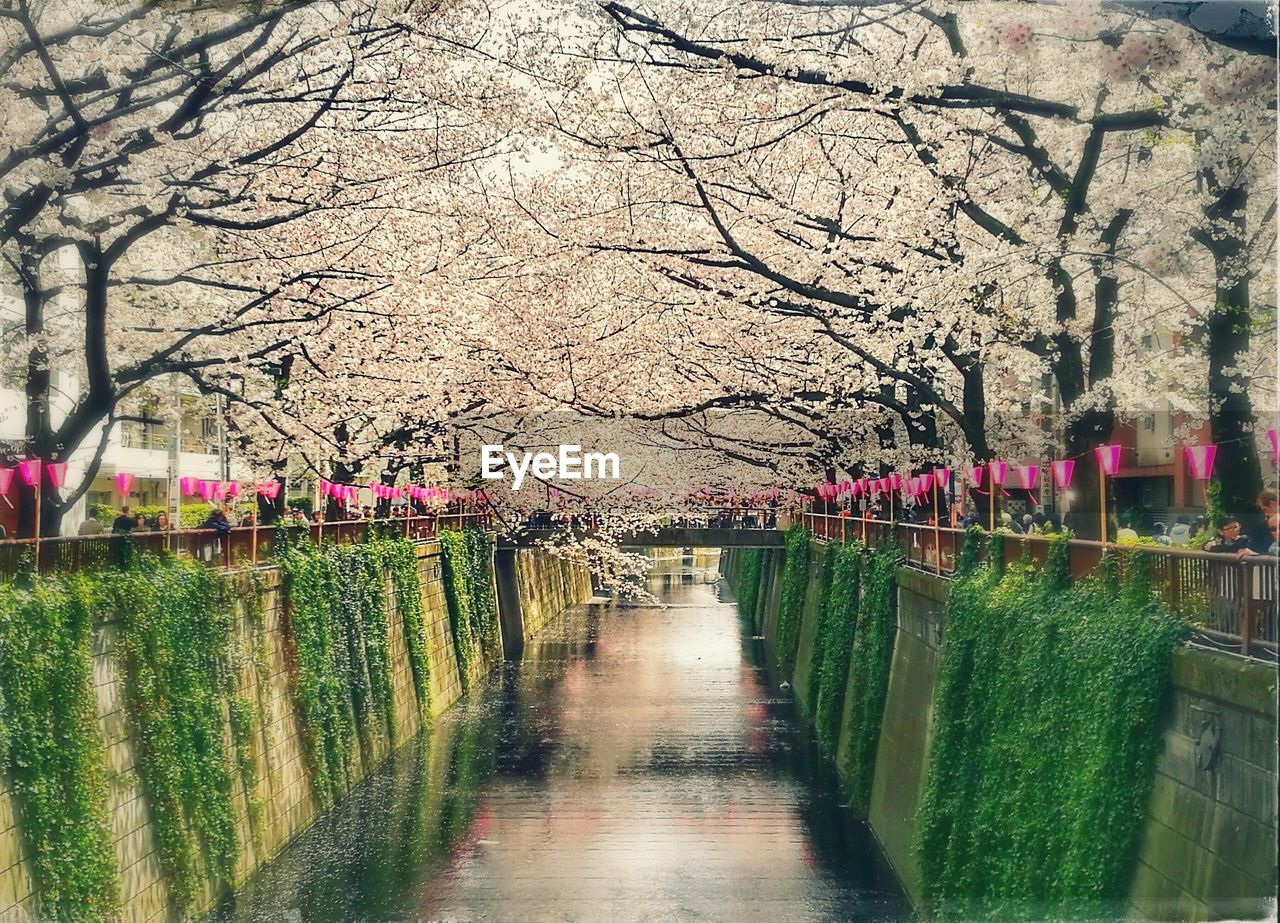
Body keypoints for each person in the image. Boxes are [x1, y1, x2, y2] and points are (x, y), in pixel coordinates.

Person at [1246, 489, 1278, 554]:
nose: (1265, 514)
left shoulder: (1262, 528)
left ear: (1272, 504)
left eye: (1265, 510)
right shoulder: (1261, 529)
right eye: (1274, 529)